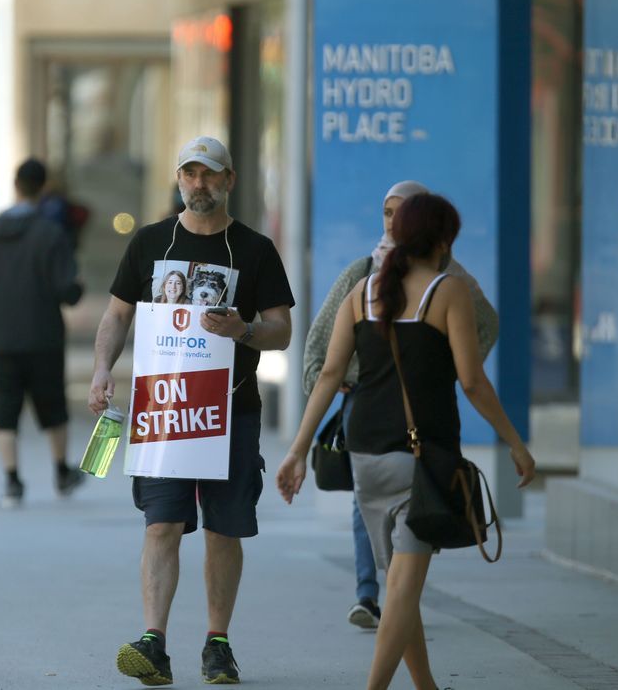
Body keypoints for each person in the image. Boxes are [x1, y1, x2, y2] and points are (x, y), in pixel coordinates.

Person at [277, 192, 535, 690]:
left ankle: (426, 686)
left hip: (365, 456)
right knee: (402, 587)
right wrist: (515, 444)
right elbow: (474, 381)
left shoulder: (363, 292)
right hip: (422, 458)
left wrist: (296, 451)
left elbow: (330, 374)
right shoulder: (448, 292)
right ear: (441, 241)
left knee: (398, 585)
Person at [89, 136, 294, 686]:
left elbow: (282, 330)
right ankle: (153, 641)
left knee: (224, 530)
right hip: (164, 410)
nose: (198, 184)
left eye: (210, 175)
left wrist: (245, 329)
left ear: (229, 180)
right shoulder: (151, 242)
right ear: (178, 180)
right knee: (161, 525)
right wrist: (102, 369)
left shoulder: (254, 249)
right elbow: (116, 315)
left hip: (231, 412)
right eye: (189, 174)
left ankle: (217, 643)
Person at [302, 180, 499, 630]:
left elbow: (486, 325)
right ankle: (370, 594)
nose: (393, 222)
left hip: (419, 416)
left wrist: (437, 368)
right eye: (387, 212)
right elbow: (320, 350)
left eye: (402, 213)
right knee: (365, 502)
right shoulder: (361, 275)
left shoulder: (449, 278)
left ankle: (397, 596)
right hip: (367, 408)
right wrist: (350, 382)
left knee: (415, 503)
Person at [0, 158, 86, 507]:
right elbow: (67, 288)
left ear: (16, 185)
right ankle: (62, 472)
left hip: (1, 335)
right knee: (52, 405)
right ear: (42, 187)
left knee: (4, 406)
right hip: (43, 334)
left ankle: (12, 480)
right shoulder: (51, 233)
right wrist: (76, 289)